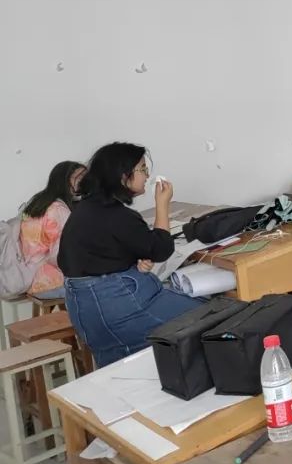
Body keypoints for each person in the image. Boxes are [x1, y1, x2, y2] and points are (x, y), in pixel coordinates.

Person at [59, 143, 201, 367]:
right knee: (208, 315)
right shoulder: (117, 215)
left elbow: (100, 252)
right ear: (123, 176)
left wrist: (132, 261)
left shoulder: (85, 209)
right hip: (117, 304)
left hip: (85, 308)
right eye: (142, 169)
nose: (147, 176)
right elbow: (160, 249)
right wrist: (162, 205)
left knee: (119, 367)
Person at [19, 161, 86, 297]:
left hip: (27, 277)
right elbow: (62, 255)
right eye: (80, 178)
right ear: (65, 181)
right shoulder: (59, 210)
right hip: (49, 282)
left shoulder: (37, 203)